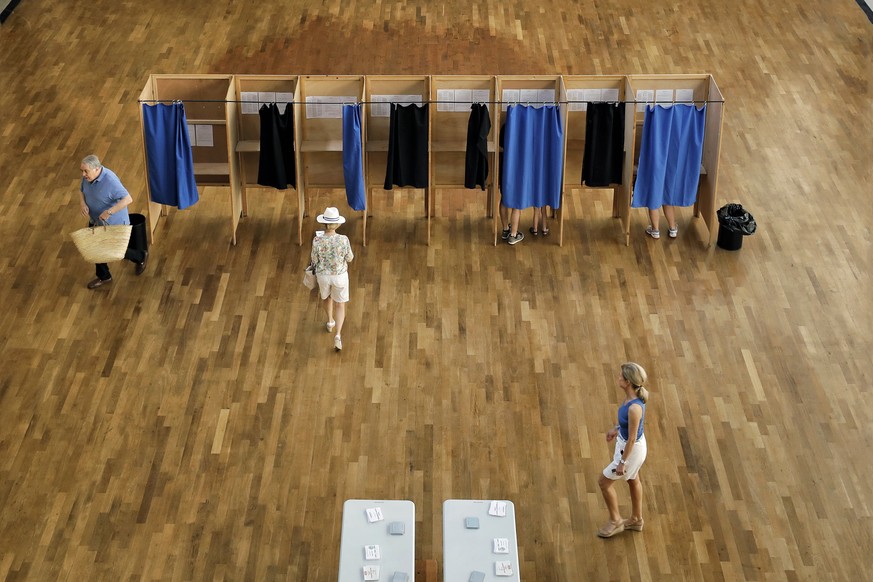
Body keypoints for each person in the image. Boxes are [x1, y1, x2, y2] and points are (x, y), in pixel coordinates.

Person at [597, 362, 650, 538]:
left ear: (627, 382)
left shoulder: (635, 408)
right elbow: (627, 425)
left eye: (621, 376)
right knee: (633, 479)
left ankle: (615, 521)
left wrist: (622, 462)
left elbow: (633, 438)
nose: (618, 378)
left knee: (604, 482)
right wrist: (616, 428)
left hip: (630, 451)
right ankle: (636, 519)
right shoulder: (630, 398)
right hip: (627, 446)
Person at [79, 155, 147, 289]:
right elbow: (81, 190)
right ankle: (104, 276)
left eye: (86, 171)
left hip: (113, 224)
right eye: (82, 171)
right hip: (96, 221)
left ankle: (140, 256)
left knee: (117, 251)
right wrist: (82, 203)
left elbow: (128, 199)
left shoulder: (110, 181)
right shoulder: (87, 177)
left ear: (96, 169)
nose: (83, 174)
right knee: (97, 249)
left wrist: (109, 212)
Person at [311, 207, 354, 351]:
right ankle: (338, 335)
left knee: (326, 298)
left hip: (323, 276)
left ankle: (330, 321)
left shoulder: (317, 240)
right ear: (337, 224)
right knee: (340, 304)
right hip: (340, 276)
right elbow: (349, 258)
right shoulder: (343, 240)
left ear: (324, 224)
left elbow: (314, 260)